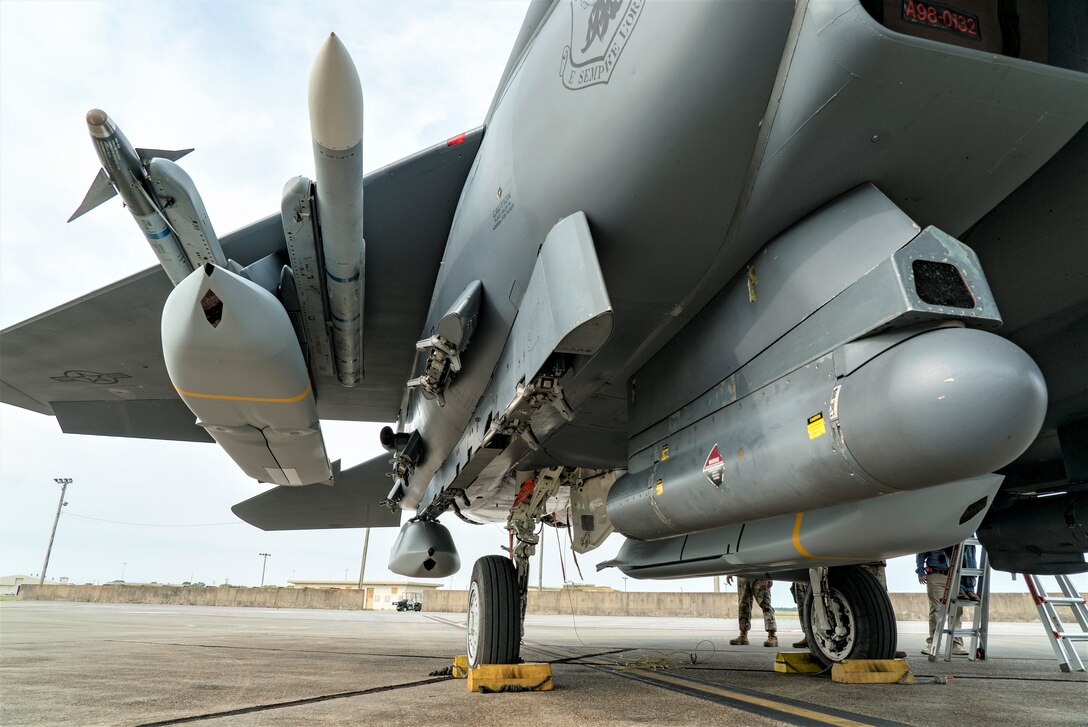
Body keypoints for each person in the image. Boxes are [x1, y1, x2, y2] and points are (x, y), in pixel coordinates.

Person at [916, 548, 968, 656]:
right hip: (936, 575)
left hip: (955, 575)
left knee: (957, 610)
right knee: (936, 609)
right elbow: (921, 553)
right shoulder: (933, 535)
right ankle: (932, 644)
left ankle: (957, 644)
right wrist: (920, 571)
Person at [727, 575, 777, 647]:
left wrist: (769, 576)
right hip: (742, 574)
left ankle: (772, 636)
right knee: (743, 606)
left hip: (759, 573)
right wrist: (730, 572)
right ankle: (743, 635)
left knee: (765, 604)